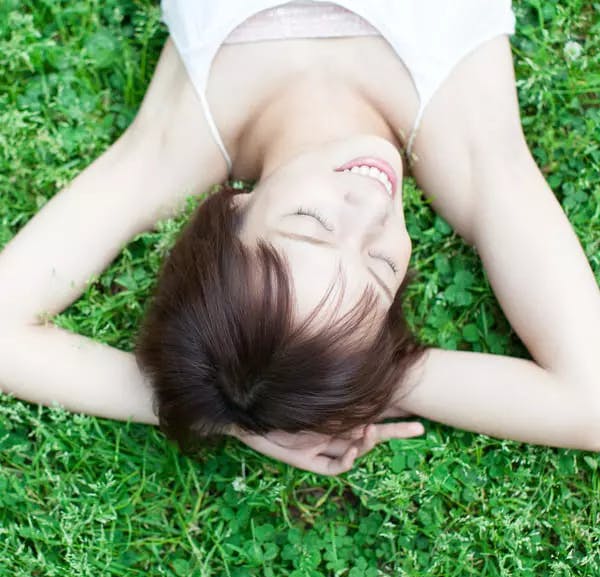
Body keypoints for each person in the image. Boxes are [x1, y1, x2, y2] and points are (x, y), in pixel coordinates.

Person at [1, 1, 599, 475]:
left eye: (311, 226)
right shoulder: (470, 147)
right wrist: (356, 386)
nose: (370, 206)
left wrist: (217, 408)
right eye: (379, 268)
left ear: (232, 213)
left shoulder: (177, 146)